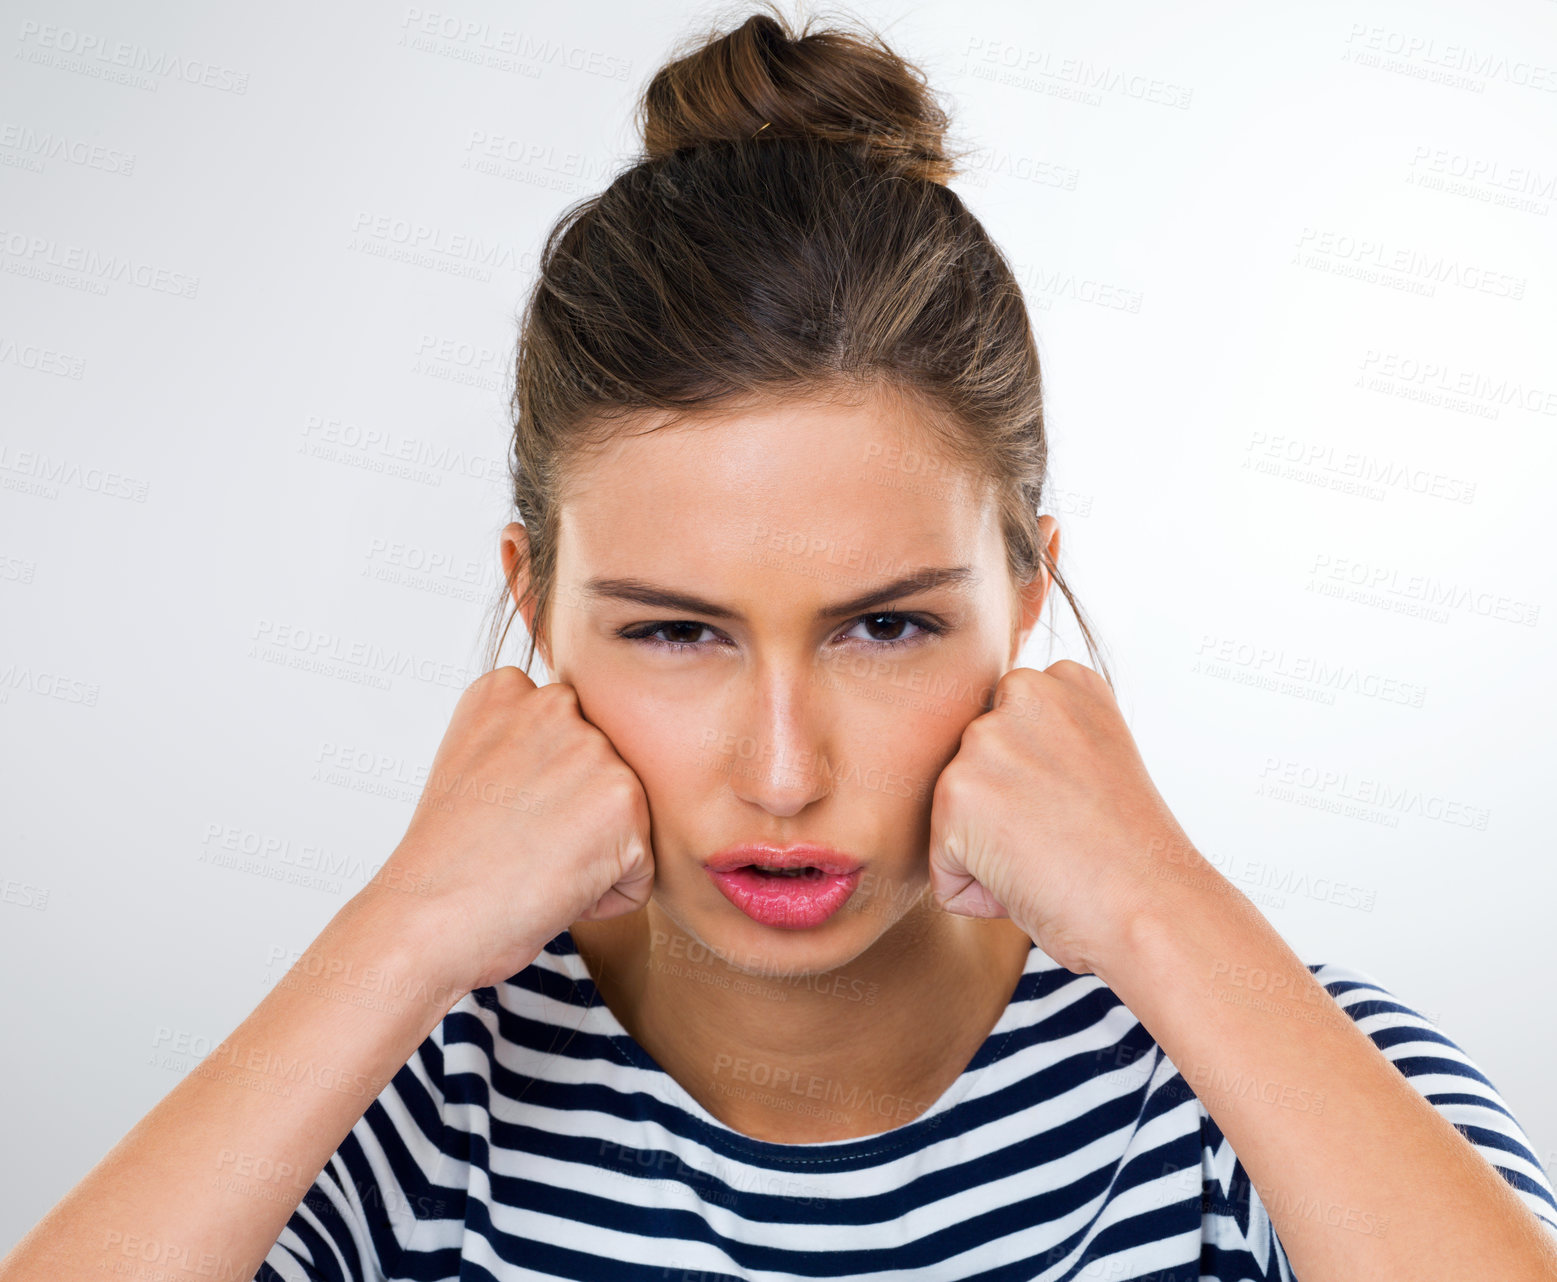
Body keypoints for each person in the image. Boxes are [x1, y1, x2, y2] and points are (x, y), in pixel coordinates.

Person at [6, 6, 1556, 1281]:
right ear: (533, 607)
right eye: (676, 632)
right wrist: (400, 931)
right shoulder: (404, 1095)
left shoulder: (1266, 1068)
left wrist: (1161, 910)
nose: (782, 766)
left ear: (1025, 595)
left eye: (886, 625)